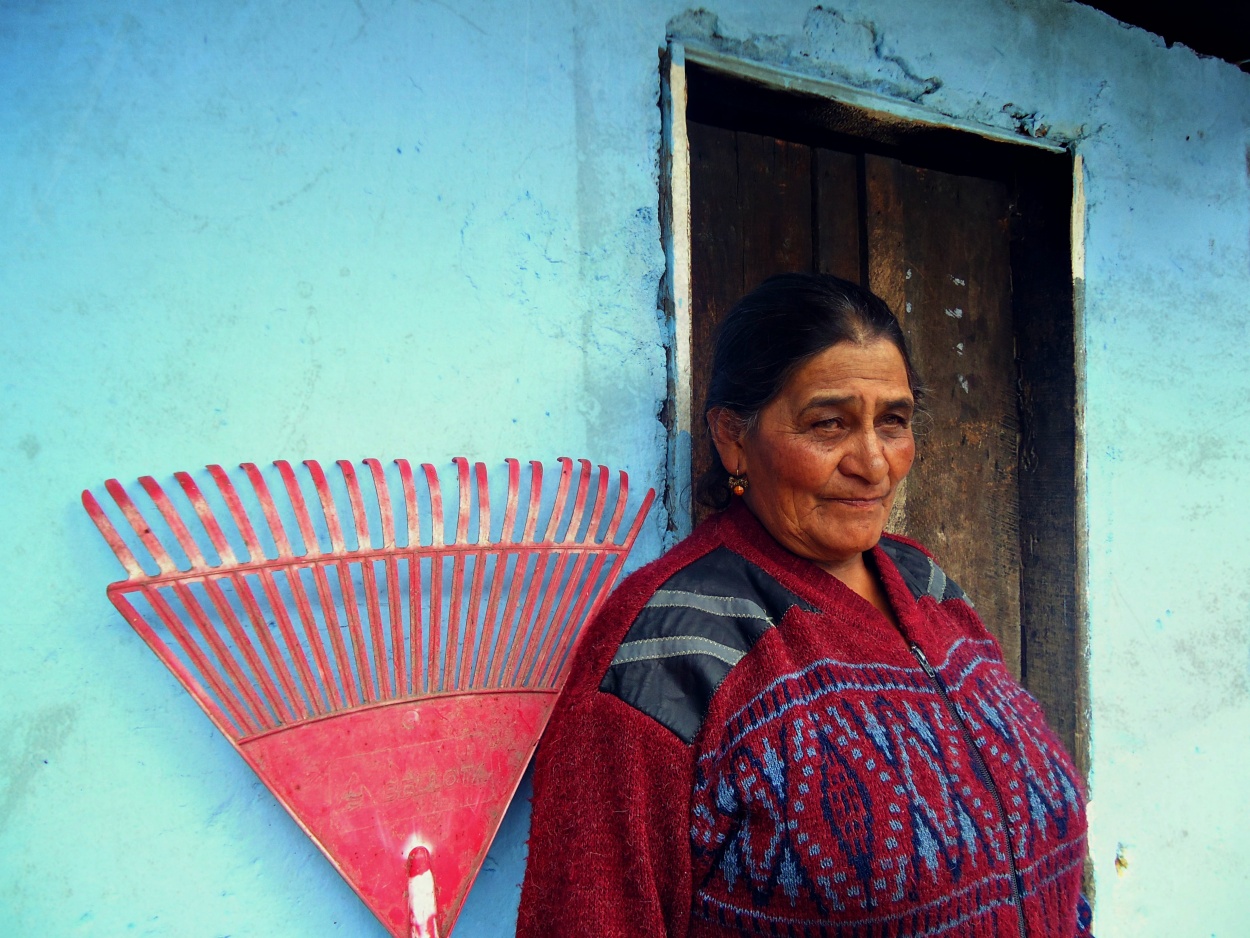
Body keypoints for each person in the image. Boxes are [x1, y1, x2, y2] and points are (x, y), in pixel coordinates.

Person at [517, 274, 1092, 937]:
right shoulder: (667, 649)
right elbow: (592, 916)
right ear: (733, 438)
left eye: (894, 422)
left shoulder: (926, 585)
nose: (874, 463)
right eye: (829, 424)